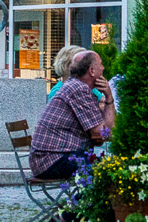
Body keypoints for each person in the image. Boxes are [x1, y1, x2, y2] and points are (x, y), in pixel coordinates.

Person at [29, 50, 114, 180]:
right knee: (109, 171)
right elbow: (101, 133)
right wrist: (109, 98)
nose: (103, 68)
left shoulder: (76, 87)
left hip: (51, 158)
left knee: (108, 167)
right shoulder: (78, 89)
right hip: (52, 161)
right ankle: (82, 200)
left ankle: (82, 199)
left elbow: (101, 134)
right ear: (91, 71)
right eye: (100, 65)